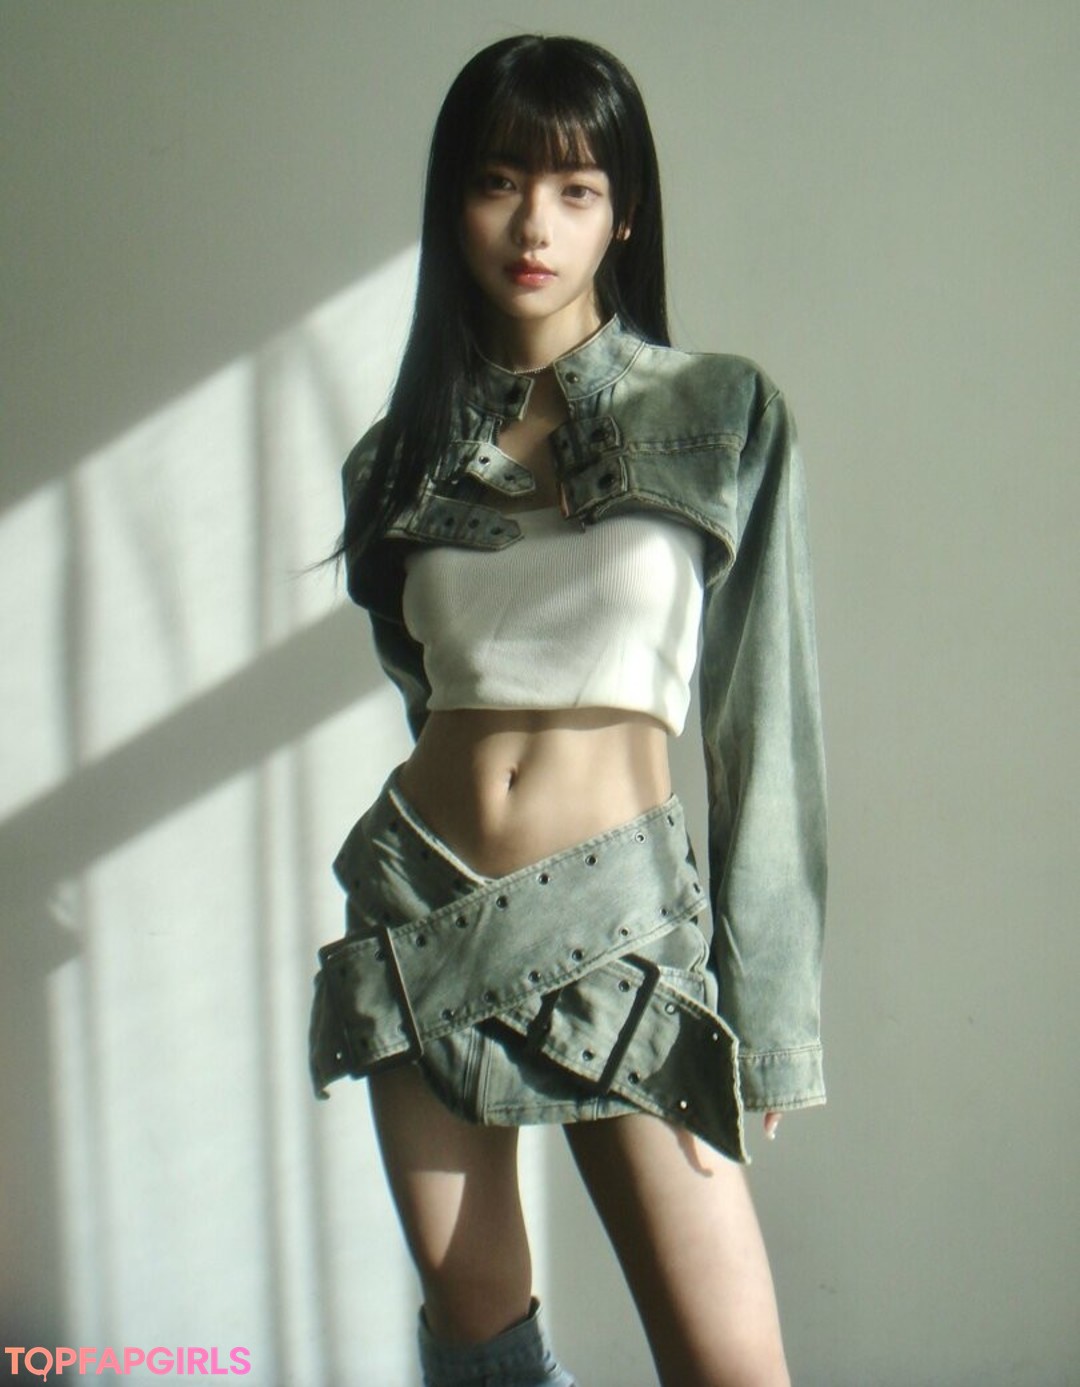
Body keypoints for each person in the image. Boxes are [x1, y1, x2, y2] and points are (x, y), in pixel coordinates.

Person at [310, 34, 826, 1387]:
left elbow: (761, 724)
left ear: (624, 211)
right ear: (455, 202)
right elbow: (435, 692)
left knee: (732, 1369)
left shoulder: (721, 413)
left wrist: (770, 1011)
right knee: (481, 1345)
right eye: (499, 183)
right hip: (421, 903)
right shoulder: (397, 460)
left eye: (576, 188)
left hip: (620, 925)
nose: (534, 225)